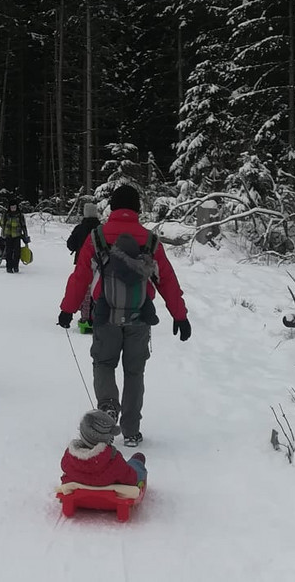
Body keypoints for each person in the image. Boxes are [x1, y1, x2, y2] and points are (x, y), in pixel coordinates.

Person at [57, 184, 191, 446]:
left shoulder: (97, 236)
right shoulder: (149, 240)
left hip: (105, 316)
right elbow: (167, 281)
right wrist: (180, 315)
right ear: (138, 209)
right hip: (139, 318)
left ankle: (107, 411)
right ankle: (131, 430)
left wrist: (67, 309)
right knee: (134, 372)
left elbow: (81, 276)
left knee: (104, 364)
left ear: (113, 208)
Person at [60, 409, 146, 487]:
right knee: (136, 463)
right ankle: (137, 461)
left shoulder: (69, 456)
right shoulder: (113, 459)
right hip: (107, 497)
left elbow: (66, 470)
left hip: (79, 493)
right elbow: (130, 479)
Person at [66, 202, 102, 333]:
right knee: (98, 290)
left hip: (82, 263)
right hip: (100, 265)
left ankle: (85, 318)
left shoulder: (79, 228)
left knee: (84, 291)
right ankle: (97, 316)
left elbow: (70, 244)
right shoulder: (101, 229)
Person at [0, 201, 30, 273]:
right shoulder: (6, 214)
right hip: (8, 235)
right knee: (8, 252)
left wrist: (25, 235)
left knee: (17, 252)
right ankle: (9, 267)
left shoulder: (20, 215)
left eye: (14, 207)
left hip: (17, 235)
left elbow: (23, 226)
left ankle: (16, 266)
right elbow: (1, 224)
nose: (13, 209)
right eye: (12, 207)